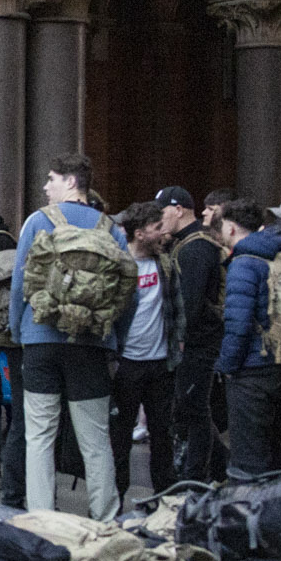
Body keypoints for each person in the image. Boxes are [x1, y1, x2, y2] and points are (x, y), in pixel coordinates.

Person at [14, 154, 118, 517]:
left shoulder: (37, 222)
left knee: (40, 435)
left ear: (72, 183)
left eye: (52, 178)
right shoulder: (110, 227)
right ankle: (105, 515)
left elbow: (19, 283)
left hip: (40, 339)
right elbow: (124, 289)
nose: (45, 186)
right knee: (95, 438)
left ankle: (42, 515)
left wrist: (19, 329)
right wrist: (111, 335)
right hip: (90, 343)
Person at [212, 199, 281, 477]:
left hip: (250, 368)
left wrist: (227, 365)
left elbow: (238, 323)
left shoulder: (243, 262)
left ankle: (249, 510)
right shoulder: (275, 253)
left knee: (248, 455)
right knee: (278, 446)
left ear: (232, 228)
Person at [109, 199, 180, 501]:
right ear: (139, 233)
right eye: (156, 228)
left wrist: (178, 343)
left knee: (162, 435)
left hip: (160, 363)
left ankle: (162, 497)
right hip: (126, 363)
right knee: (119, 436)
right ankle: (115, 498)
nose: (164, 233)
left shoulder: (165, 264)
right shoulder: (116, 263)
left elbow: (177, 308)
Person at [166, 187, 232, 487]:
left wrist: (177, 337)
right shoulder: (193, 244)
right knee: (190, 406)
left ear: (178, 209)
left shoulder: (194, 248)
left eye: (163, 211)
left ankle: (198, 473)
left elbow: (189, 304)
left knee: (193, 408)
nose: (160, 219)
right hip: (200, 341)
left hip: (197, 343)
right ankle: (212, 467)